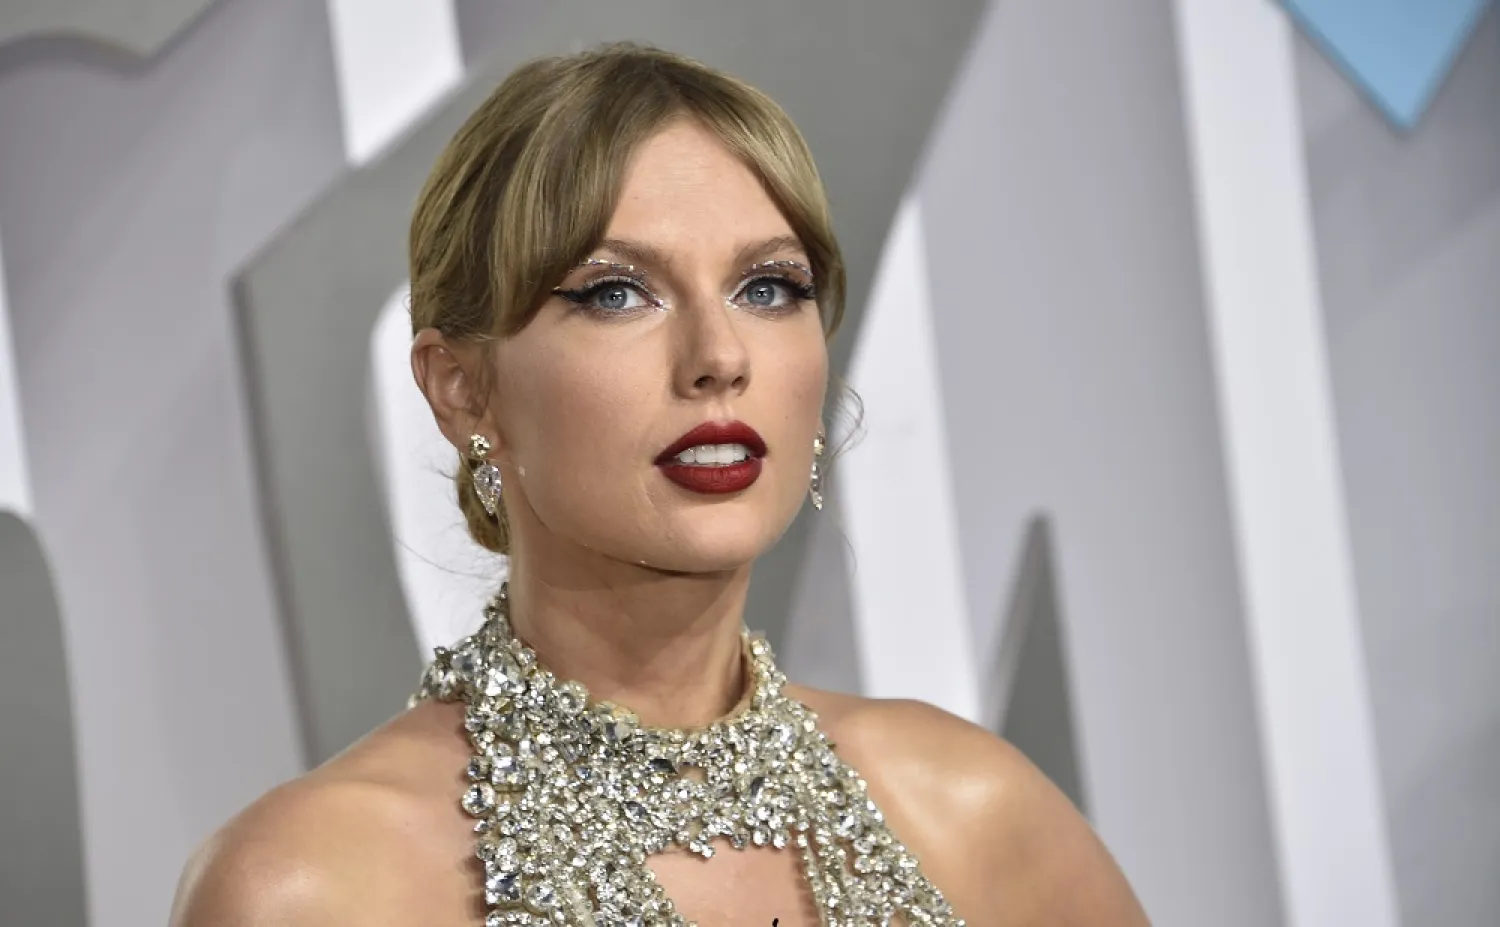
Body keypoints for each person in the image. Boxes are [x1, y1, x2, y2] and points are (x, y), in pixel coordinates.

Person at [170, 43, 1148, 926]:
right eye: (615, 293)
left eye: (769, 287)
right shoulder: (311, 888)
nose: (720, 357)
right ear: (464, 390)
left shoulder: (972, 814)